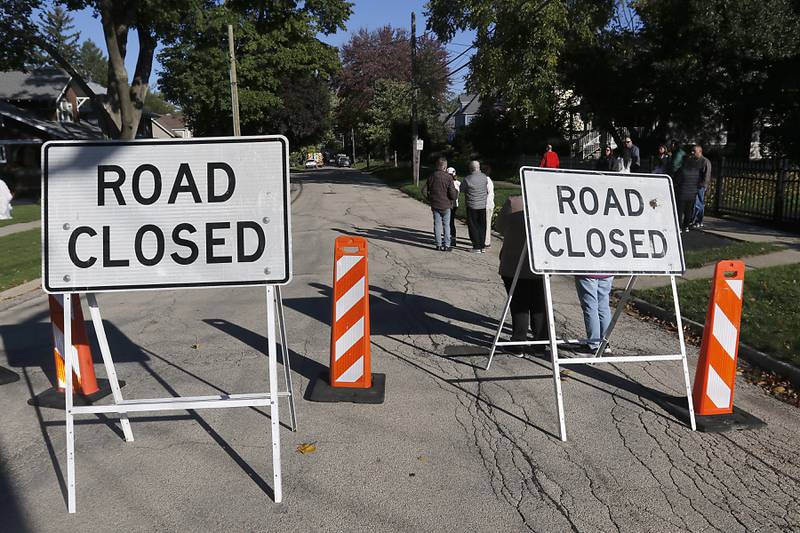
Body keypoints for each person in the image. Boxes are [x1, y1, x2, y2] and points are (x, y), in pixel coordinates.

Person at [496, 195, 548, 354]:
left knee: (519, 304)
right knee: (538, 304)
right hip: (540, 263)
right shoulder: (548, 203)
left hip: (514, 261)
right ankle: (540, 344)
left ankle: (518, 342)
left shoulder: (513, 202)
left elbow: (499, 227)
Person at [422, 158, 457, 250]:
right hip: (446, 205)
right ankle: (447, 245)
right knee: (446, 225)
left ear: (437, 166)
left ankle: (438, 244)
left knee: (437, 224)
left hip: (435, 204)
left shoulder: (431, 176)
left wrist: (429, 199)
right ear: (445, 167)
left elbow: (424, 190)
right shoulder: (448, 178)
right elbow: (452, 194)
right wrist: (452, 198)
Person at [676, 144, 712, 232]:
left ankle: (699, 220)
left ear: (700, 152)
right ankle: (692, 221)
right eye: (692, 151)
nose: (692, 152)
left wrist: (703, 185)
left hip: (700, 186)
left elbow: (707, 175)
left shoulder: (705, 161)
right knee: (693, 205)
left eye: (694, 151)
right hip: (693, 185)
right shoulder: (693, 161)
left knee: (699, 204)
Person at [574, 275, 614, 354]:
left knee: (590, 307)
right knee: (603, 307)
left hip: (588, 271)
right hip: (607, 271)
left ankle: (593, 345)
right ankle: (605, 344)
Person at [461, 160, 489, 253]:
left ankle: (476, 246)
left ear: (470, 168)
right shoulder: (484, 177)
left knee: (473, 226)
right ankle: (482, 245)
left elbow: (462, 189)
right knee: (482, 226)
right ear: (479, 167)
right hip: (482, 205)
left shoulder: (468, 179)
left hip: (472, 205)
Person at [446, 167, 460, 247]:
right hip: (453, 205)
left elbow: (456, 194)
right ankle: (451, 238)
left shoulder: (455, 183)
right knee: (450, 222)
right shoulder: (456, 182)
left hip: (452, 205)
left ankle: (452, 239)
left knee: (450, 222)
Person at [483, 164, 495, 248]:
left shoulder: (486, 181)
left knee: (487, 224)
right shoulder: (487, 180)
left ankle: (486, 242)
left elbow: (488, 194)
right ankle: (484, 239)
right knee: (486, 223)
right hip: (488, 204)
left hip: (487, 205)